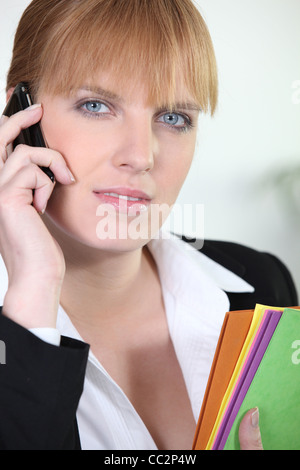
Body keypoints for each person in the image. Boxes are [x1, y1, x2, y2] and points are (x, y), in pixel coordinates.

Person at [0, 0, 297, 450]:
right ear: (18, 117)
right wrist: (34, 285)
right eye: (96, 105)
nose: (141, 156)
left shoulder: (263, 285)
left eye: (174, 118)